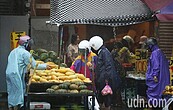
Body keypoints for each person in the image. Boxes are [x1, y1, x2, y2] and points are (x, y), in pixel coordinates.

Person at [6, 35, 50, 110]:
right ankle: (17, 108)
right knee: (18, 94)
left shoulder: (13, 51)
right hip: (16, 75)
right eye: (29, 44)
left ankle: (11, 108)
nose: (30, 46)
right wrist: (46, 66)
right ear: (25, 44)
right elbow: (34, 65)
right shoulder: (25, 53)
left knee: (11, 93)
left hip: (8, 74)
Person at [89, 36, 121, 110]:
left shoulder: (104, 52)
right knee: (103, 100)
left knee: (107, 101)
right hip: (102, 80)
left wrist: (107, 80)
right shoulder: (103, 52)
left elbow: (108, 66)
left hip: (105, 81)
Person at [145, 37, 170, 109]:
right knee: (162, 93)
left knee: (153, 94)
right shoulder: (160, 52)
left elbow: (156, 66)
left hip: (158, 79)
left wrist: (155, 75)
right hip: (163, 78)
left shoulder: (155, 53)